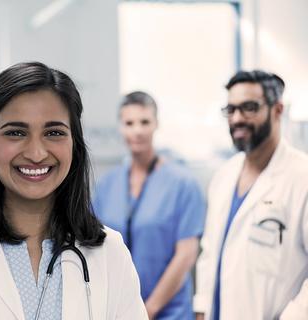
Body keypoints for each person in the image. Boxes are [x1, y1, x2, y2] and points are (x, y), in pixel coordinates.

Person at [0, 62, 148, 320]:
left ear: (74, 145)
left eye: (54, 132)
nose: (36, 153)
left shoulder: (111, 255)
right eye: (16, 133)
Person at [194, 70, 308, 319]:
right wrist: (201, 308)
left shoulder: (302, 178)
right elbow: (210, 252)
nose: (237, 118)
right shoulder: (224, 176)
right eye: (231, 109)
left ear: (277, 110)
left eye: (249, 107)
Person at [93, 91, 205, 319]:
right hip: (116, 310)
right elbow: (95, 245)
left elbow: (186, 255)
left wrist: (147, 310)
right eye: (129, 123)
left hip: (168, 312)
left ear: (156, 124)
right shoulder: (107, 185)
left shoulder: (183, 184)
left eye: (145, 122)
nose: (137, 130)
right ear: (120, 127)